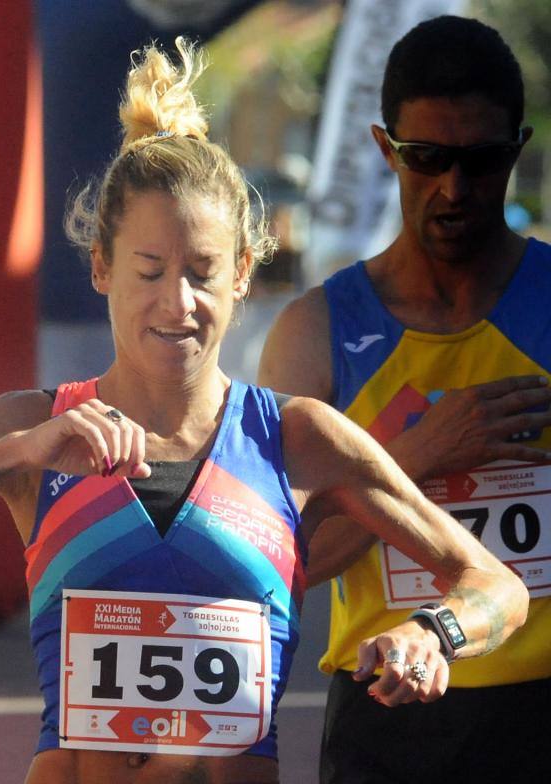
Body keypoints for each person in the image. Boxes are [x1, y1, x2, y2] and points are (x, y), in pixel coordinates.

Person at [0, 38, 528, 784]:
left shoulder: (294, 439)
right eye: (149, 271)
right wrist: (11, 454)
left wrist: (433, 633)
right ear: (100, 267)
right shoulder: (38, 429)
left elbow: (494, 585)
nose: (175, 303)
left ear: (243, 274)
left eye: (203, 273)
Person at [259, 15, 551, 784]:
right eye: (427, 159)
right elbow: (278, 562)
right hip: (393, 716)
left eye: (481, 160)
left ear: (516, 148)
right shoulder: (315, 331)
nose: (454, 188)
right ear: (386, 149)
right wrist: (410, 461)